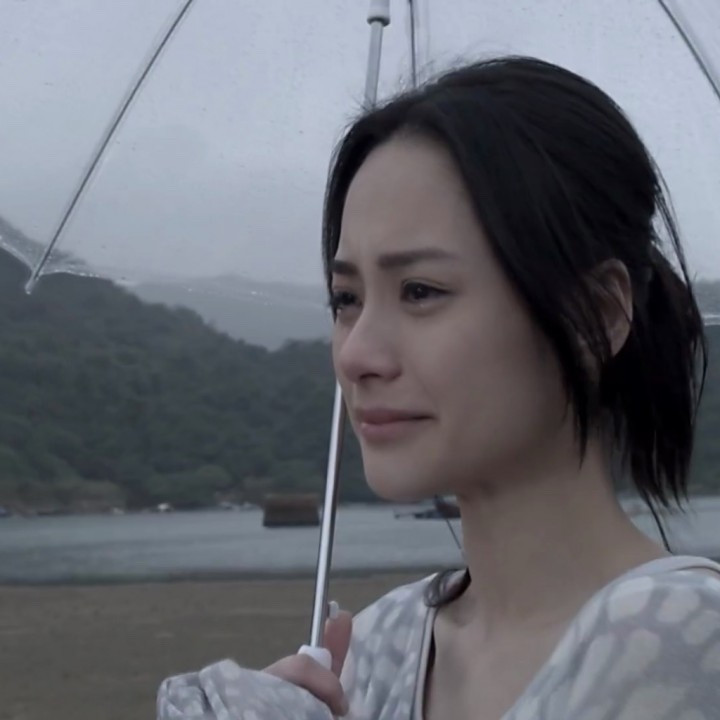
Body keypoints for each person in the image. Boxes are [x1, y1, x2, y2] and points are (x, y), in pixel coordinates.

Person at [157, 56, 720, 719]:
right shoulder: (373, 649)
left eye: (420, 291)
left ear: (595, 316)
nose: (357, 354)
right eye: (345, 298)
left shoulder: (680, 640)